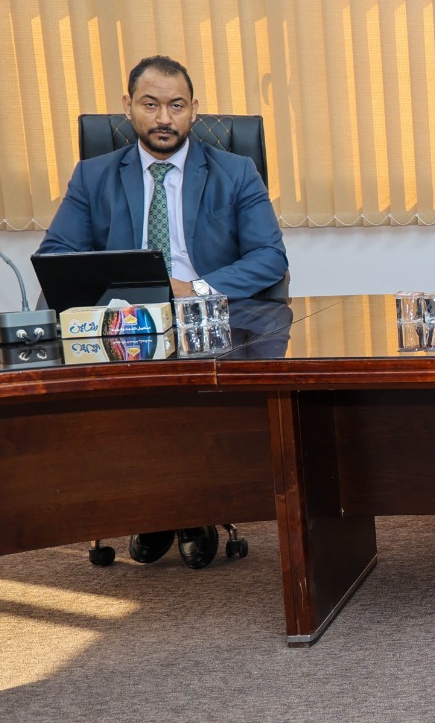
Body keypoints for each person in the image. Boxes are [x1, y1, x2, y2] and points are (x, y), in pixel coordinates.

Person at [39, 54, 289, 569]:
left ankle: (192, 507)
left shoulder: (235, 171)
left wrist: (193, 288)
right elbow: (58, 253)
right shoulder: (94, 175)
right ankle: (152, 505)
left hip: (207, 318)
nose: (163, 119)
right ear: (128, 107)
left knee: (195, 389)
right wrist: (120, 289)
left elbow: (269, 257)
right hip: (124, 323)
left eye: (176, 106)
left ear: (194, 109)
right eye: (150, 105)